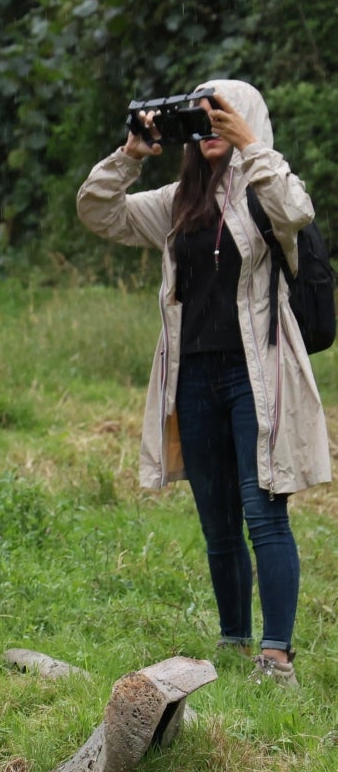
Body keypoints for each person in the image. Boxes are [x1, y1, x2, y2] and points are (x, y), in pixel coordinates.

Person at [76, 79, 329, 687]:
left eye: (223, 116)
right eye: (202, 118)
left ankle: (276, 656)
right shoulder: (178, 201)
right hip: (191, 378)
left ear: (247, 121)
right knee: (217, 521)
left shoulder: (267, 189)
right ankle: (234, 641)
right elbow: (98, 210)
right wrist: (131, 154)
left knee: (263, 511)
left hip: (256, 374)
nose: (210, 128)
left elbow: (298, 213)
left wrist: (250, 145)